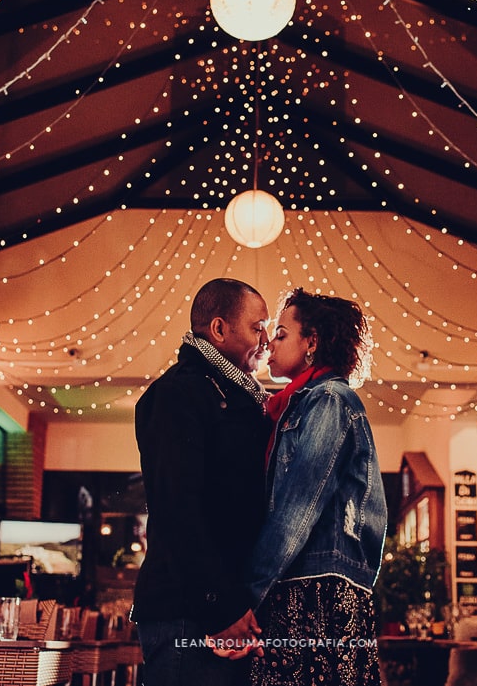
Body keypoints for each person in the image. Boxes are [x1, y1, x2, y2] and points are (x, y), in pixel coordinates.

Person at [243, 287, 388, 686]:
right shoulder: (298, 403)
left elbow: (296, 509)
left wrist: (248, 593)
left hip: (314, 593)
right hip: (305, 587)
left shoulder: (329, 400)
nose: (269, 343)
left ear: (312, 342)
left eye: (282, 334)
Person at [132, 277, 272, 686]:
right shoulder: (180, 393)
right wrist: (221, 609)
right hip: (189, 614)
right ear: (218, 329)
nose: (265, 338)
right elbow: (179, 508)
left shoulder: (237, 395)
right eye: (257, 327)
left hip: (217, 608)